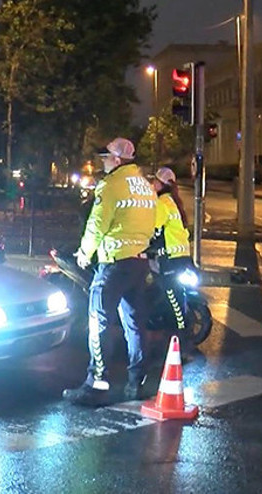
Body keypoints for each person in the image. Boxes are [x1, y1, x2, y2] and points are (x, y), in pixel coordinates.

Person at [63, 137, 157, 407]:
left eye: (106, 158)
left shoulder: (112, 185)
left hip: (114, 264)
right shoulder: (146, 187)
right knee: (135, 325)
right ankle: (136, 381)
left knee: (99, 322)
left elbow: (97, 223)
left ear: (117, 160)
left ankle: (96, 384)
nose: (103, 162)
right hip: (139, 264)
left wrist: (84, 253)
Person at [149, 167, 193, 332]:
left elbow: (153, 229)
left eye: (155, 181)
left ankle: (179, 333)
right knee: (174, 295)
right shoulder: (175, 202)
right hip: (182, 257)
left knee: (171, 297)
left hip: (171, 259)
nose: (153, 184)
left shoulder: (163, 203)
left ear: (161, 184)